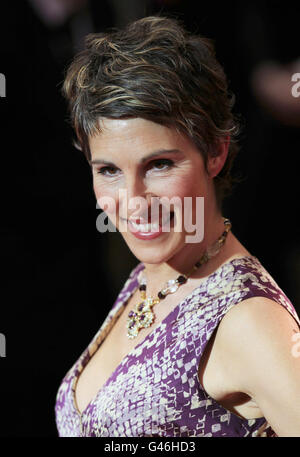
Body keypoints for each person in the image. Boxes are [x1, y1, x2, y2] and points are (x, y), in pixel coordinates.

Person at [54, 15, 300, 437]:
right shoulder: (151, 276)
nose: (133, 202)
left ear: (215, 152)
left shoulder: (249, 320)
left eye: (159, 164)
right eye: (109, 170)